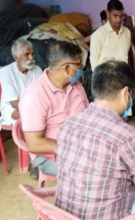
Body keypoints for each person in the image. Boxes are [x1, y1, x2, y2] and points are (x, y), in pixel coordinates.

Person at [54, 60, 135, 220]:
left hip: (64, 214)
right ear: (125, 93)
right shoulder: (125, 135)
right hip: (106, 216)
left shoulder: (69, 122)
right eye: (131, 95)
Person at [19, 41, 89, 177]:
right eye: (78, 64)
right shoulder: (34, 95)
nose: (81, 68)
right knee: (93, 171)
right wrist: (74, 148)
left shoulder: (75, 85)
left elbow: (88, 114)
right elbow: (34, 143)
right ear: (67, 68)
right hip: (50, 155)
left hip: (80, 145)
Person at [0, 39, 42, 126]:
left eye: (32, 54)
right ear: (16, 57)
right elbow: (14, 102)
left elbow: (43, 94)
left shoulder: (37, 69)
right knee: (26, 120)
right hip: (12, 107)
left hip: (33, 106)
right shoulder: (5, 72)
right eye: (26, 54)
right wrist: (27, 109)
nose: (31, 58)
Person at [90, 0, 130, 71]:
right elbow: (94, 63)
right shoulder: (98, 34)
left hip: (122, 77)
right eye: (115, 15)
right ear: (108, 14)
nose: (118, 19)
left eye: (121, 16)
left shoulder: (127, 32)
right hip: (106, 80)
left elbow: (125, 57)